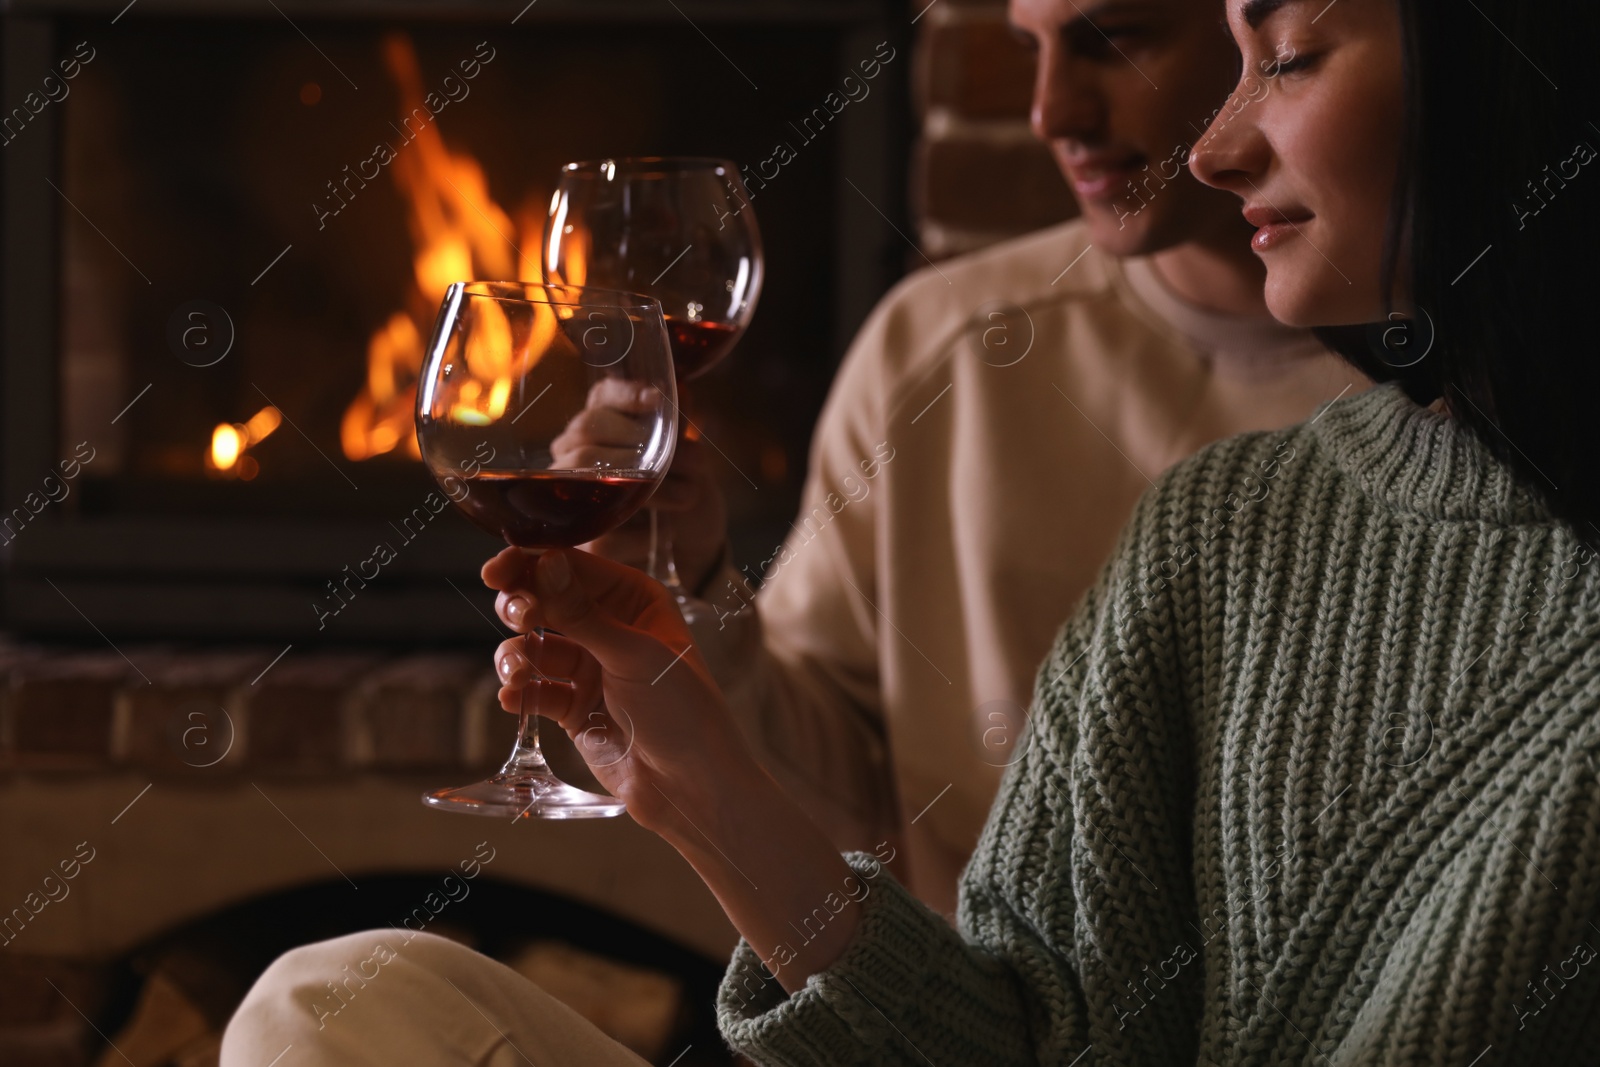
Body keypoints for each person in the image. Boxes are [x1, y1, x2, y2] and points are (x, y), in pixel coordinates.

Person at [221, 0, 1600, 1060]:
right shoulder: (1209, 510)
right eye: (1028, 43)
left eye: (1284, 53)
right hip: (924, 987)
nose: (1218, 137)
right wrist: (699, 743)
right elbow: (1016, 1014)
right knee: (340, 1003)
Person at [592, 0, 1370, 918]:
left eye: (1113, 40)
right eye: (1030, 50)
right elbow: (827, 788)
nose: (1050, 113)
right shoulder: (939, 347)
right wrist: (690, 578)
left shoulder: (1469, 399)